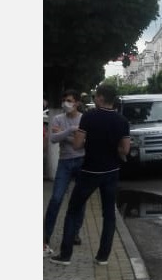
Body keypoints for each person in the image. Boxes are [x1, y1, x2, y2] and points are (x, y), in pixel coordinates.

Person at [48, 85, 131, 266]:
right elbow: (125, 149)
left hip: (90, 171)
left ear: (100, 98)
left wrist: (89, 142)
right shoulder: (122, 120)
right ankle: (103, 256)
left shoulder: (89, 117)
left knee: (73, 210)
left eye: (96, 96)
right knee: (109, 214)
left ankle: (66, 255)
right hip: (112, 172)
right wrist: (111, 148)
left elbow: (77, 145)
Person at [43, 91, 85, 257]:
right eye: (64, 100)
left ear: (77, 103)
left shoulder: (83, 119)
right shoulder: (58, 118)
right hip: (64, 162)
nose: (65, 103)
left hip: (82, 161)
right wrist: (72, 132)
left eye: (69, 101)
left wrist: (64, 134)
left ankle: (75, 233)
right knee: (56, 198)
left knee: (79, 201)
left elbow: (83, 143)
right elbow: (53, 139)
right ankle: (46, 236)